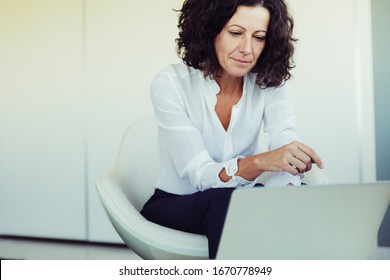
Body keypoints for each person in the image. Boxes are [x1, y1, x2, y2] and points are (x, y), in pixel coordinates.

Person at [141, 0, 324, 259]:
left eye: (259, 37)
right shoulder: (170, 83)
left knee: (302, 197)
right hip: (174, 202)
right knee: (226, 202)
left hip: (240, 201)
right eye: (236, 33)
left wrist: (288, 177)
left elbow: (286, 138)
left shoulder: (269, 81)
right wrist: (261, 162)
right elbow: (201, 174)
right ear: (210, 29)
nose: (247, 49)